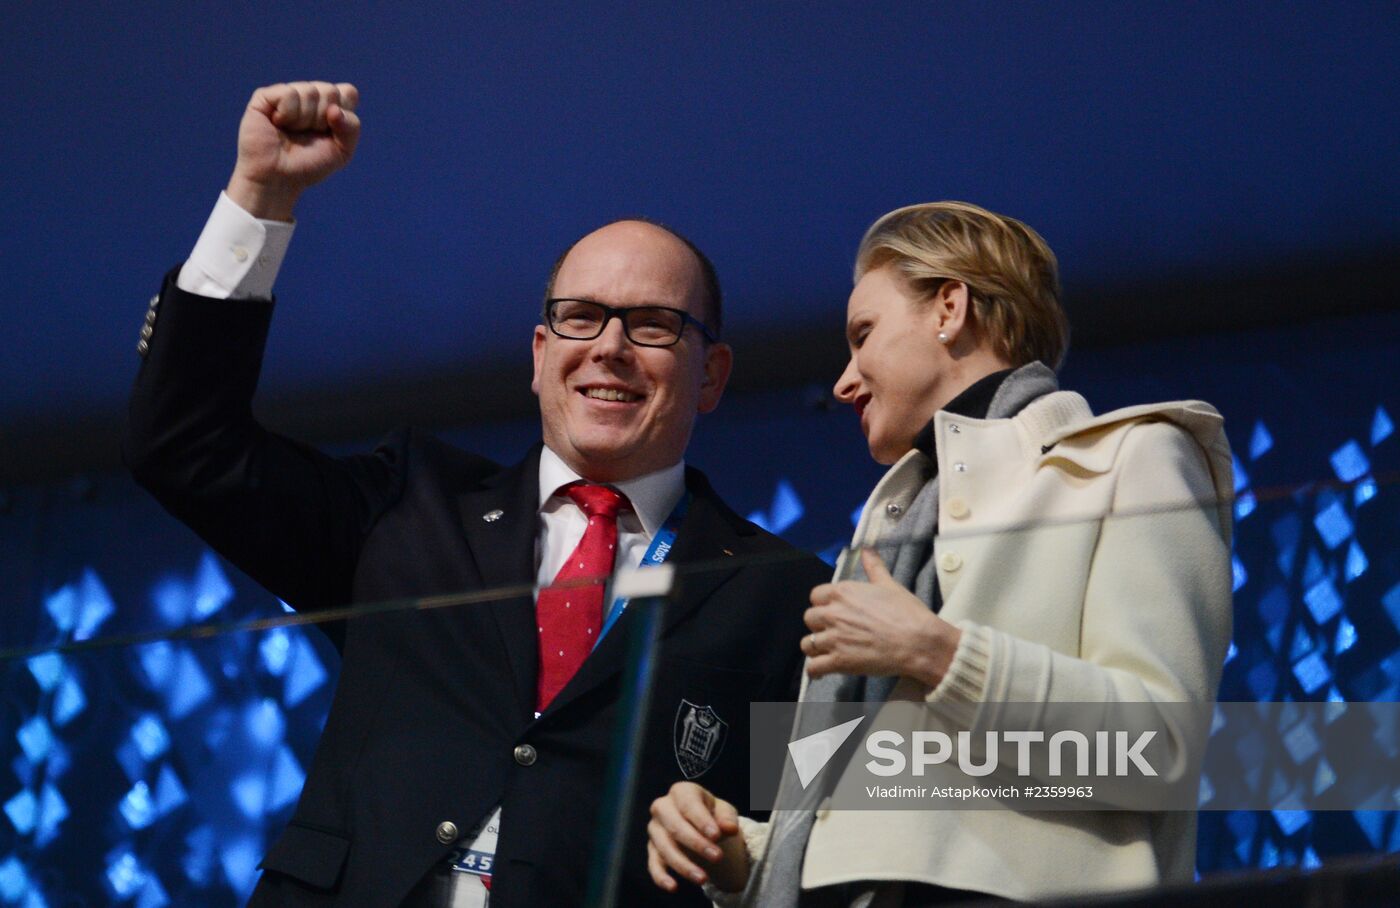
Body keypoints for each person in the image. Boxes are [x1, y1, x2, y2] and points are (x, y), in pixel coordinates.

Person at [123, 81, 830, 908]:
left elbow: (818, 850)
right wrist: (262, 195)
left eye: (652, 324)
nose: (609, 348)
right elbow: (183, 446)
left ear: (711, 374)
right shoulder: (411, 505)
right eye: (580, 317)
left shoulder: (784, 596)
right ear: (538, 354)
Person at [646, 201, 1234, 905]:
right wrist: (737, 852)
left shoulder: (1131, 459)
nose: (843, 381)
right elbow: (860, 820)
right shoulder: (884, 535)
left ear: (949, 308)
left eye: (863, 334)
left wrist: (939, 655)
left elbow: (1159, 753)